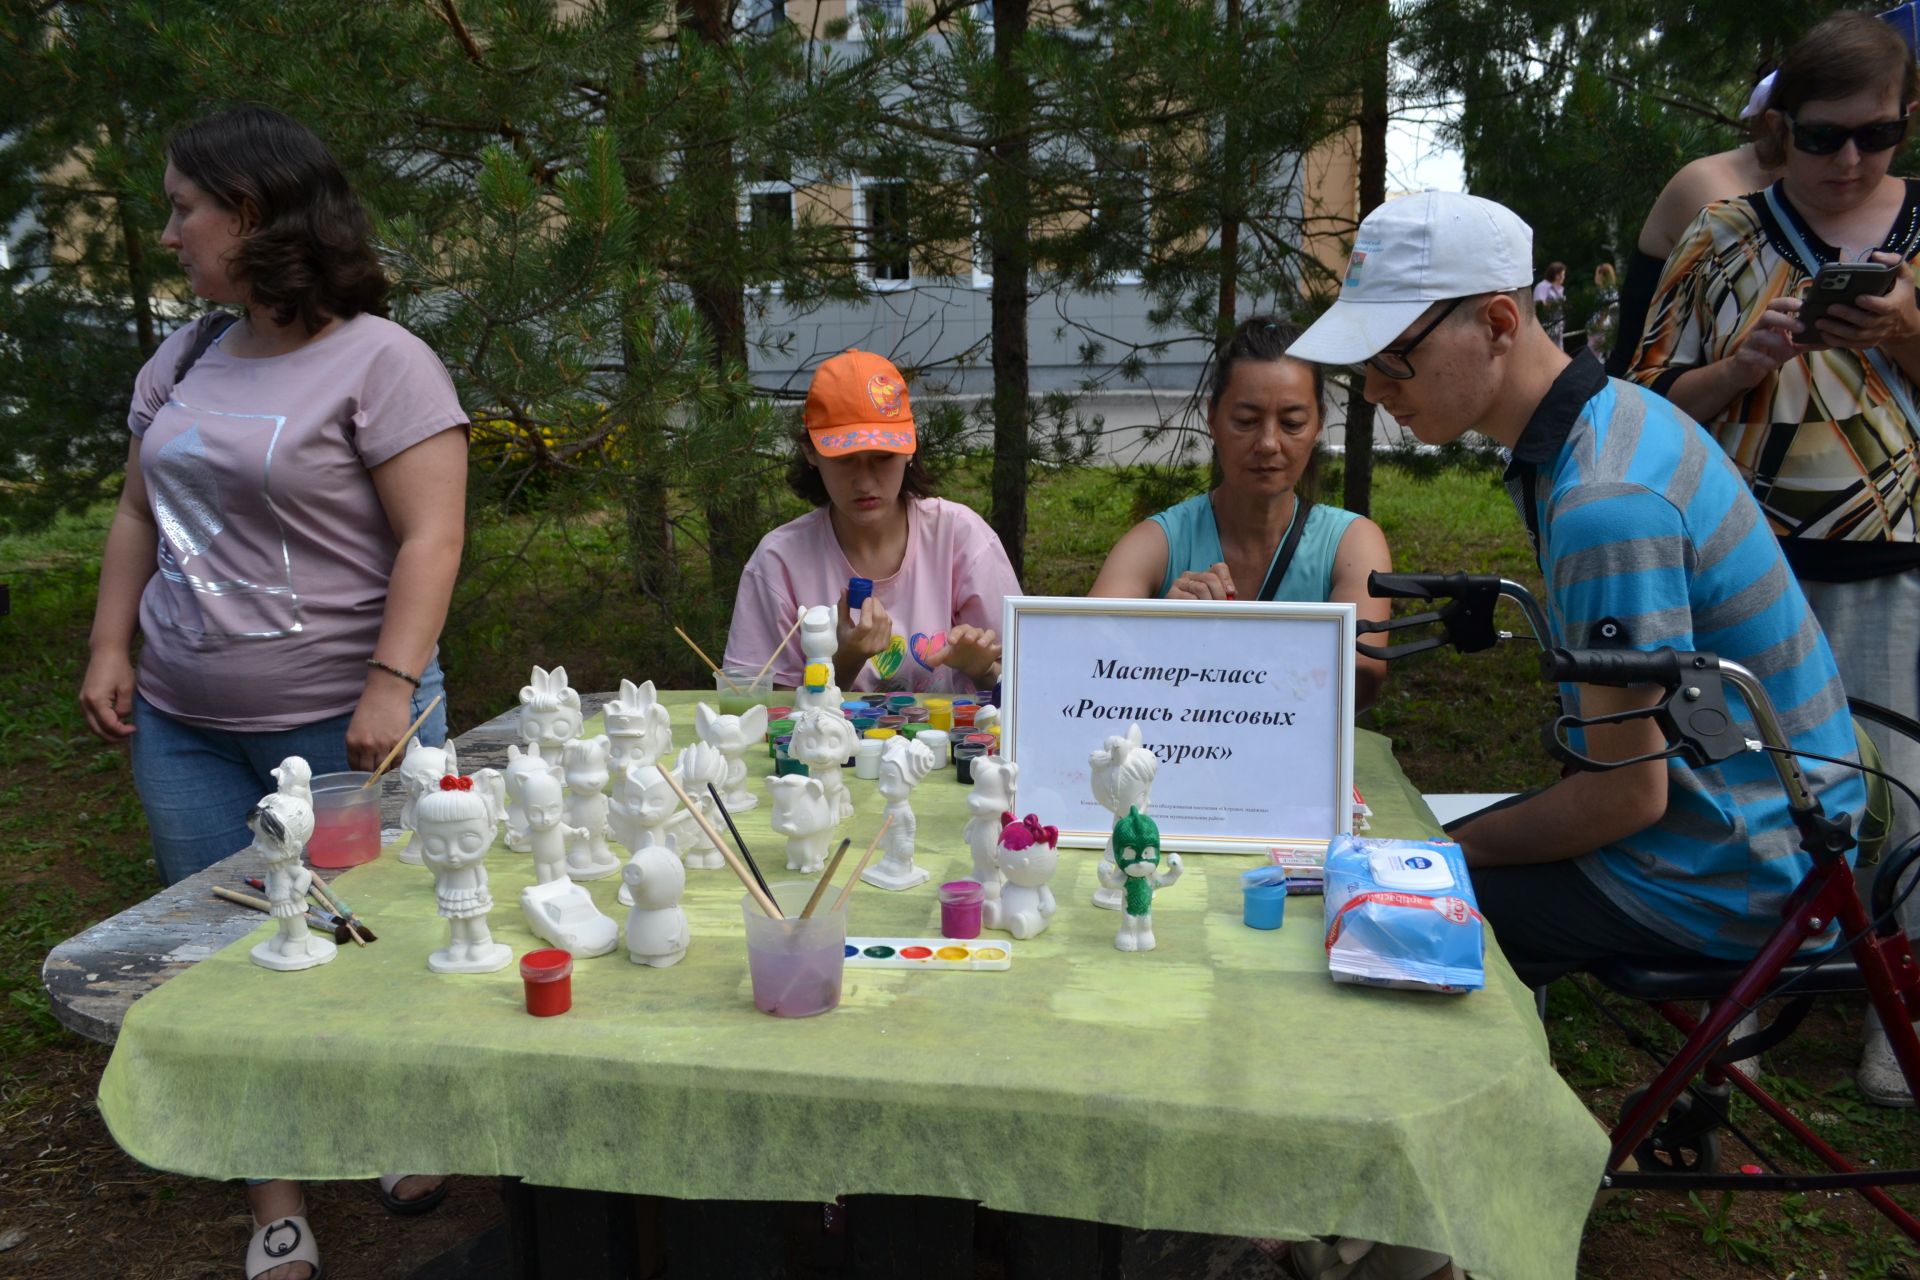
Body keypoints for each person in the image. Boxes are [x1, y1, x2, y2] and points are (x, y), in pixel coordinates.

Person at [1287, 189, 1866, 993]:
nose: (1376, 389)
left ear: (1497, 324)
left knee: (1372, 923)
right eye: (1363, 364)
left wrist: (1445, 845)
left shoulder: (1604, 503)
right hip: (1763, 830)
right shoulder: (1604, 422)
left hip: (1742, 873)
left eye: (1392, 356)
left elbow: (1626, 796)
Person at [77, 106, 466, 1280]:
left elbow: (432, 536)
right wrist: (110, 645)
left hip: (346, 722)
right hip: (187, 726)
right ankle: (276, 1194)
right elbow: (140, 510)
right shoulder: (186, 356)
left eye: (182, 206)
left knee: (375, 937)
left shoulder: (383, 361)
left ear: (250, 214)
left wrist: (394, 682)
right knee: (226, 953)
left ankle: (399, 1117)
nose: (169, 231)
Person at [1627, 10, 1920, 1105]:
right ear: (1778, 126)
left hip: (1892, 560)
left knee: (1902, 790)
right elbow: (1649, 402)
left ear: (1907, 123)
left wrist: (1897, 330)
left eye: (1876, 136)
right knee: (1736, 778)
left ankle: (1898, 1007)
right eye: (1821, 136)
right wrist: (1741, 363)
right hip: (1744, 561)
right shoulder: (1724, 234)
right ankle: (1731, 988)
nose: (1848, 160)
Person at [1087, 316, 1392, 710]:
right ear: (1212, 417)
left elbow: (1361, 682)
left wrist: (1201, 655)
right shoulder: (1157, 542)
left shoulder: (1352, 544)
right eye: (1246, 421)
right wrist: (1161, 629)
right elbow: (1087, 658)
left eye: (1292, 423)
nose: (1268, 443)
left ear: (1319, 424)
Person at [725, 349, 1021, 694]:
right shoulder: (778, 562)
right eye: (845, 460)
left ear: (911, 447)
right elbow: (754, 707)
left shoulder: (959, 537)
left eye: (882, 458)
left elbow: (1032, 681)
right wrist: (843, 662)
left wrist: (983, 669)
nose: (864, 482)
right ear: (811, 454)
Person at [1585, 262, 1619, 359]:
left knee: (1592, 359)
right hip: (1604, 328)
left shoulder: (1605, 292)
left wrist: (1597, 325)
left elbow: (1605, 310)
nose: (1595, 277)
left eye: (1597, 274)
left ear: (1602, 275)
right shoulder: (1611, 290)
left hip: (1599, 329)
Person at [1531, 261, 1567, 347]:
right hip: (1546, 327)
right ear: (1556, 274)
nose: (1563, 277)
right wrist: (1556, 304)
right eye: (1562, 274)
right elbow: (1539, 306)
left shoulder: (1559, 289)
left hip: (1558, 328)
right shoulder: (1543, 286)